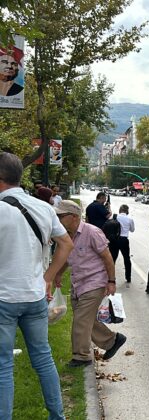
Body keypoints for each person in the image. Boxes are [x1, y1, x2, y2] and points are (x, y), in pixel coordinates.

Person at [0, 152, 73, 419]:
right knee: (43, 358)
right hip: (34, 296)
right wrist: (48, 277)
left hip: (4, 297)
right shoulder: (43, 207)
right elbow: (66, 244)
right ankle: (58, 416)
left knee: (3, 365)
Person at [53, 200, 127, 368]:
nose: (57, 219)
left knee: (80, 320)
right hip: (78, 283)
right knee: (86, 320)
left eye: (60, 216)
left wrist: (111, 281)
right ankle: (112, 340)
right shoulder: (66, 235)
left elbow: (107, 258)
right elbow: (66, 256)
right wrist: (58, 273)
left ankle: (81, 356)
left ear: (73, 217)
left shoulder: (92, 232)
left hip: (94, 282)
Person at [113, 205, 135, 283]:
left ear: (120, 210)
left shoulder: (115, 217)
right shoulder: (130, 219)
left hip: (114, 240)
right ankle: (128, 277)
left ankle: (111, 277)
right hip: (124, 240)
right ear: (127, 211)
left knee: (113, 258)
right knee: (126, 258)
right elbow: (132, 230)